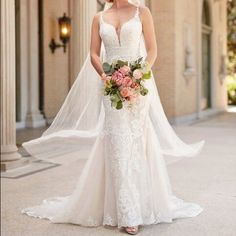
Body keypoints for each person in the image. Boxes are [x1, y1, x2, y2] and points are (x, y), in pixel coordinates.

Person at [21, 0, 205, 235]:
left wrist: (138, 75)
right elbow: (93, 54)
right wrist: (105, 77)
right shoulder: (99, 17)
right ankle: (128, 213)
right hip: (111, 90)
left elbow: (152, 51)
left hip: (137, 89)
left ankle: (138, 206)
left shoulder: (142, 12)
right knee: (118, 145)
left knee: (136, 144)